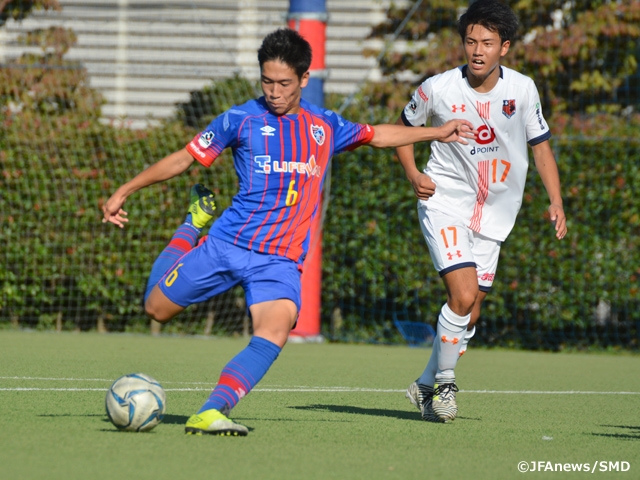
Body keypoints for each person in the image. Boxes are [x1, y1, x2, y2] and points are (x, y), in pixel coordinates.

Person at [102, 28, 476, 436]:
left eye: (283, 83)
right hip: (227, 245)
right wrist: (125, 190)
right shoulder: (240, 118)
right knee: (156, 310)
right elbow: (184, 159)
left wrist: (436, 132)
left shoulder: (324, 126)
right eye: (267, 81)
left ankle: (211, 411)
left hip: (279, 261)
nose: (274, 92)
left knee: (276, 331)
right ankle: (192, 225)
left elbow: (378, 135)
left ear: (303, 79)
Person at [395, 0, 567, 423]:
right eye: (470, 41)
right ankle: (446, 386)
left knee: (470, 312)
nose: (476, 50)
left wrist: (556, 200)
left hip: (494, 214)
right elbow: (402, 130)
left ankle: (422, 385)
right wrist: (413, 173)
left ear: (504, 47)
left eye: (487, 43)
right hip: (444, 202)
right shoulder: (438, 88)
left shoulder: (523, 90)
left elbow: (540, 146)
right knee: (463, 294)